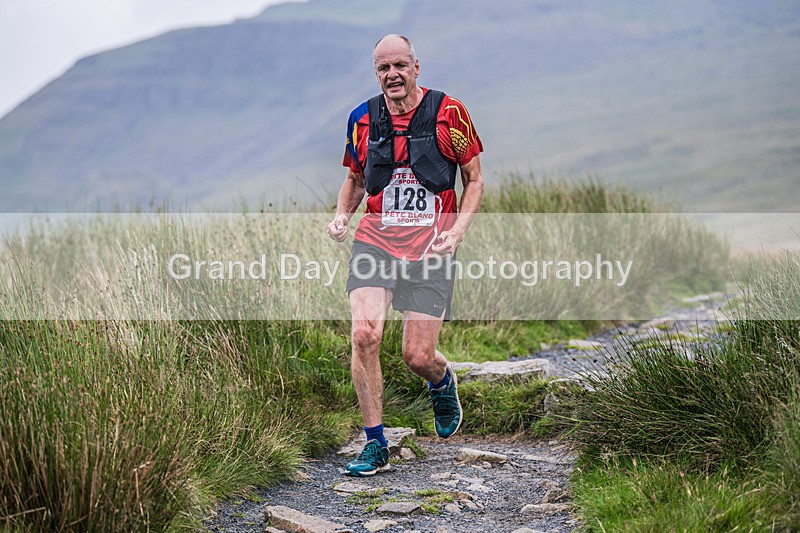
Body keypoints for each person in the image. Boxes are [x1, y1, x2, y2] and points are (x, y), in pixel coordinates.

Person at [327, 34, 484, 477]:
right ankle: (375, 443)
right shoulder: (361, 119)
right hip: (375, 241)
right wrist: (342, 216)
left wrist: (457, 231)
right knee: (364, 335)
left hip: (432, 247)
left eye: (400, 65)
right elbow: (356, 179)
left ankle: (441, 379)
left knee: (417, 356)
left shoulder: (449, 112)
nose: (392, 75)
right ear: (376, 73)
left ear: (417, 66)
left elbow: (473, 179)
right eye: (384, 68)